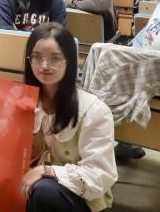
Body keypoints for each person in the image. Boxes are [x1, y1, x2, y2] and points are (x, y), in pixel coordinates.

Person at [22, 23, 116, 212]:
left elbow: (100, 175)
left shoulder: (93, 111)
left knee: (45, 191)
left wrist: (47, 171)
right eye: (37, 57)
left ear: (69, 61)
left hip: (78, 201)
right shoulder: (23, 101)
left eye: (55, 58)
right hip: (31, 191)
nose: (44, 66)